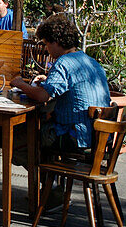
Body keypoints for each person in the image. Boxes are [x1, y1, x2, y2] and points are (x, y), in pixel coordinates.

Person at [11, 14, 111, 156]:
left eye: (46, 43)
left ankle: (47, 174)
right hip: (98, 137)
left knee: (16, 141)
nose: (46, 49)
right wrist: (48, 80)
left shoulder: (63, 62)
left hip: (75, 137)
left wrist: (20, 84)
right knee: (36, 137)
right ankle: (52, 173)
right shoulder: (90, 61)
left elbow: (42, 96)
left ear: (56, 42)